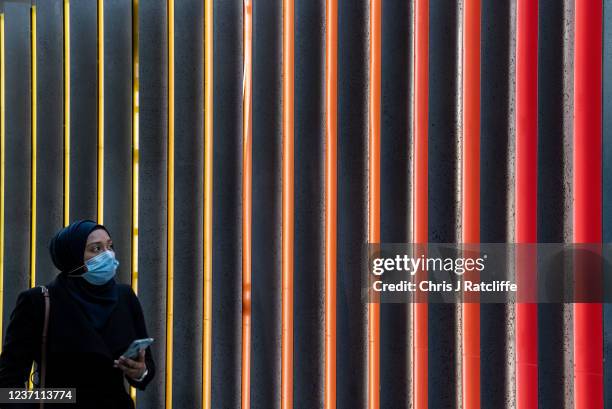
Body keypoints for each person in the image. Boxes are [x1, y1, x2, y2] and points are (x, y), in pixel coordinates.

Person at [0, 220, 155, 408]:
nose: (108, 255)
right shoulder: (38, 302)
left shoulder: (125, 296)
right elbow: (9, 381)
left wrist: (140, 372)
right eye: (96, 249)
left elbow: (146, 367)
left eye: (109, 246)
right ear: (72, 256)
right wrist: (62, 398)